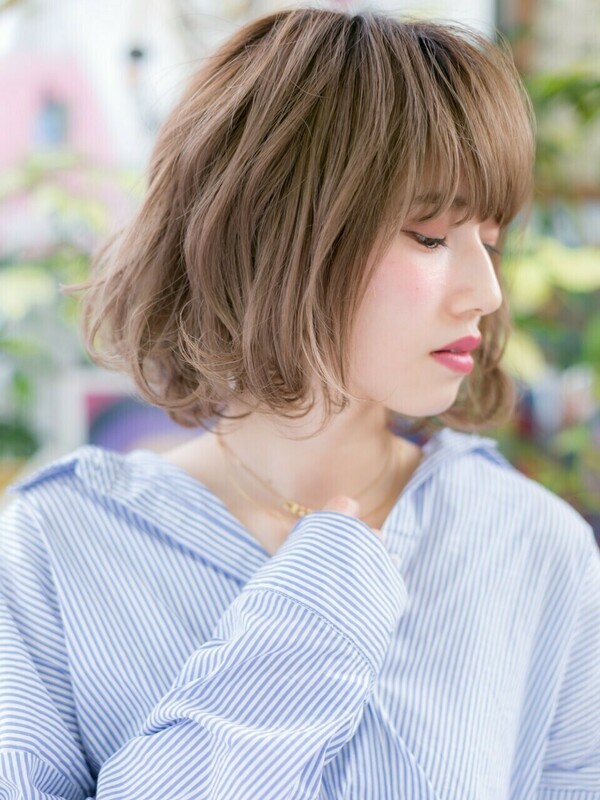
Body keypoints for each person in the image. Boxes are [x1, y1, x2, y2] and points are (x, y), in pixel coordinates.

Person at [0, 7, 598, 799]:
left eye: (488, 240)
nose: (485, 292)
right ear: (271, 229)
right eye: (429, 235)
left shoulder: (532, 546)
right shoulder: (52, 546)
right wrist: (315, 611)